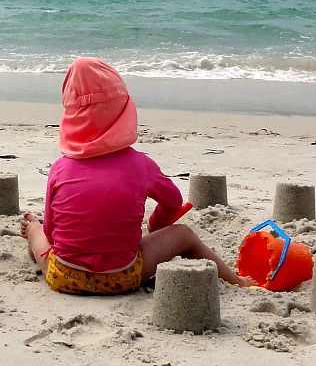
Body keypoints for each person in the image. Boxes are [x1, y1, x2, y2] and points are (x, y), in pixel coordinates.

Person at [20, 56, 254, 295]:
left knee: (37, 229)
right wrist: (157, 224)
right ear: (123, 109)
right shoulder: (141, 165)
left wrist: (42, 232)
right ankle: (237, 281)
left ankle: (30, 236)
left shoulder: (60, 168)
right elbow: (173, 200)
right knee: (184, 234)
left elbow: (51, 233)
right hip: (124, 276)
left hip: (63, 277)